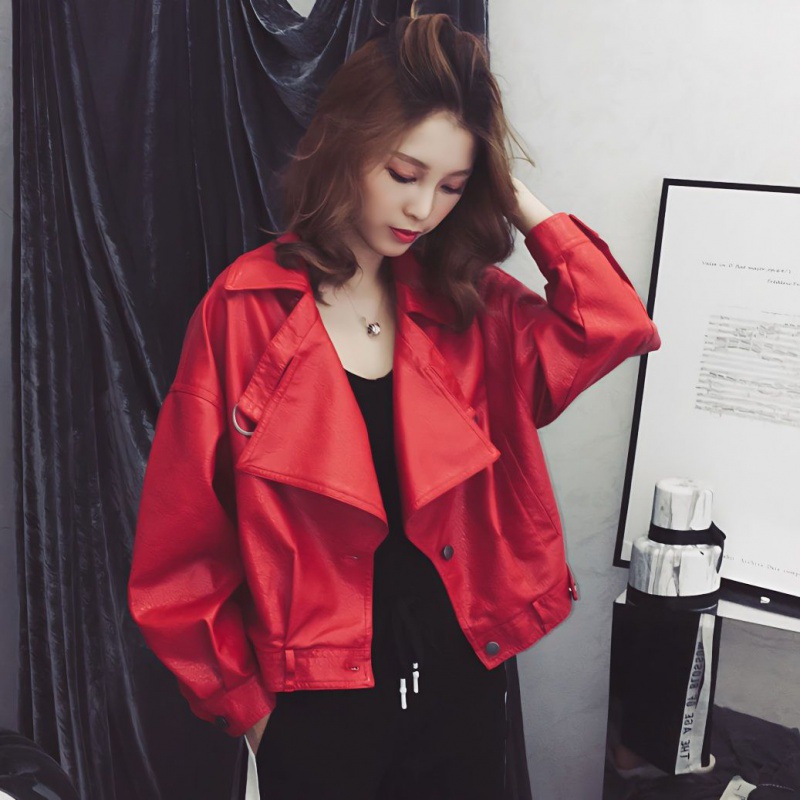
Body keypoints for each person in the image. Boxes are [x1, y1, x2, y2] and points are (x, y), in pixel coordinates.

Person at [128, 7, 661, 799]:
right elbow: (182, 548)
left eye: (452, 187)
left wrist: (516, 198)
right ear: (345, 147)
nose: (423, 210)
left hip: (463, 690)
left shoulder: (469, 306)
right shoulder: (244, 313)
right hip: (318, 712)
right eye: (405, 175)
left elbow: (611, 325)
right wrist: (252, 713)